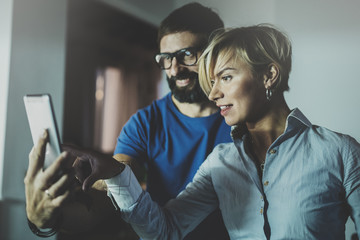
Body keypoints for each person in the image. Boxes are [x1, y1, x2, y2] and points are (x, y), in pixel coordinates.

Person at [71, 24, 360, 239]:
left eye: (226, 77)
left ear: (269, 75)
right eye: (212, 81)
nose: (214, 93)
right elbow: (165, 230)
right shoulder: (221, 162)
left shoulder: (341, 152)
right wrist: (117, 174)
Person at [24, 3, 232, 239]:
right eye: (166, 58)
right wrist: (52, 216)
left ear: (216, 52)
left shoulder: (242, 118)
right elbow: (113, 191)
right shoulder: (145, 122)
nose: (174, 69)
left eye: (187, 55)